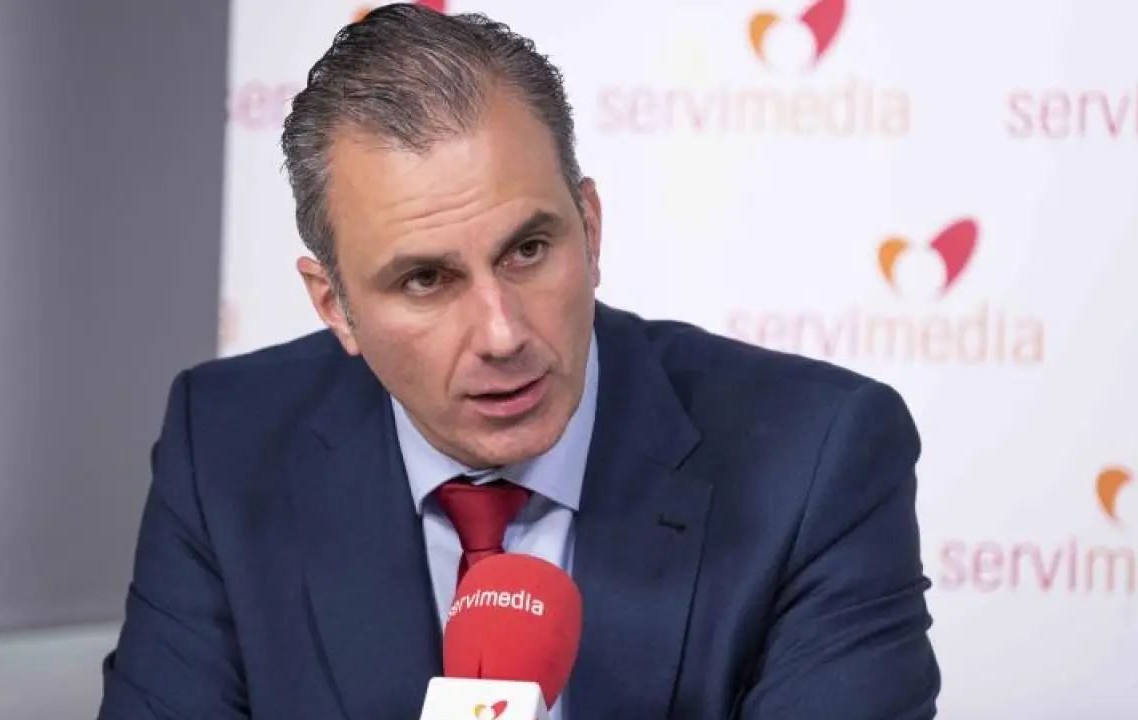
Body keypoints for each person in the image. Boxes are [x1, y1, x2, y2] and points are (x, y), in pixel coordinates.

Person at [96, 4, 941, 718]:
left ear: (590, 229)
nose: (502, 334)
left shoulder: (815, 458)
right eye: (426, 280)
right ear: (335, 307)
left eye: (529, 250)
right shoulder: (226, 445)